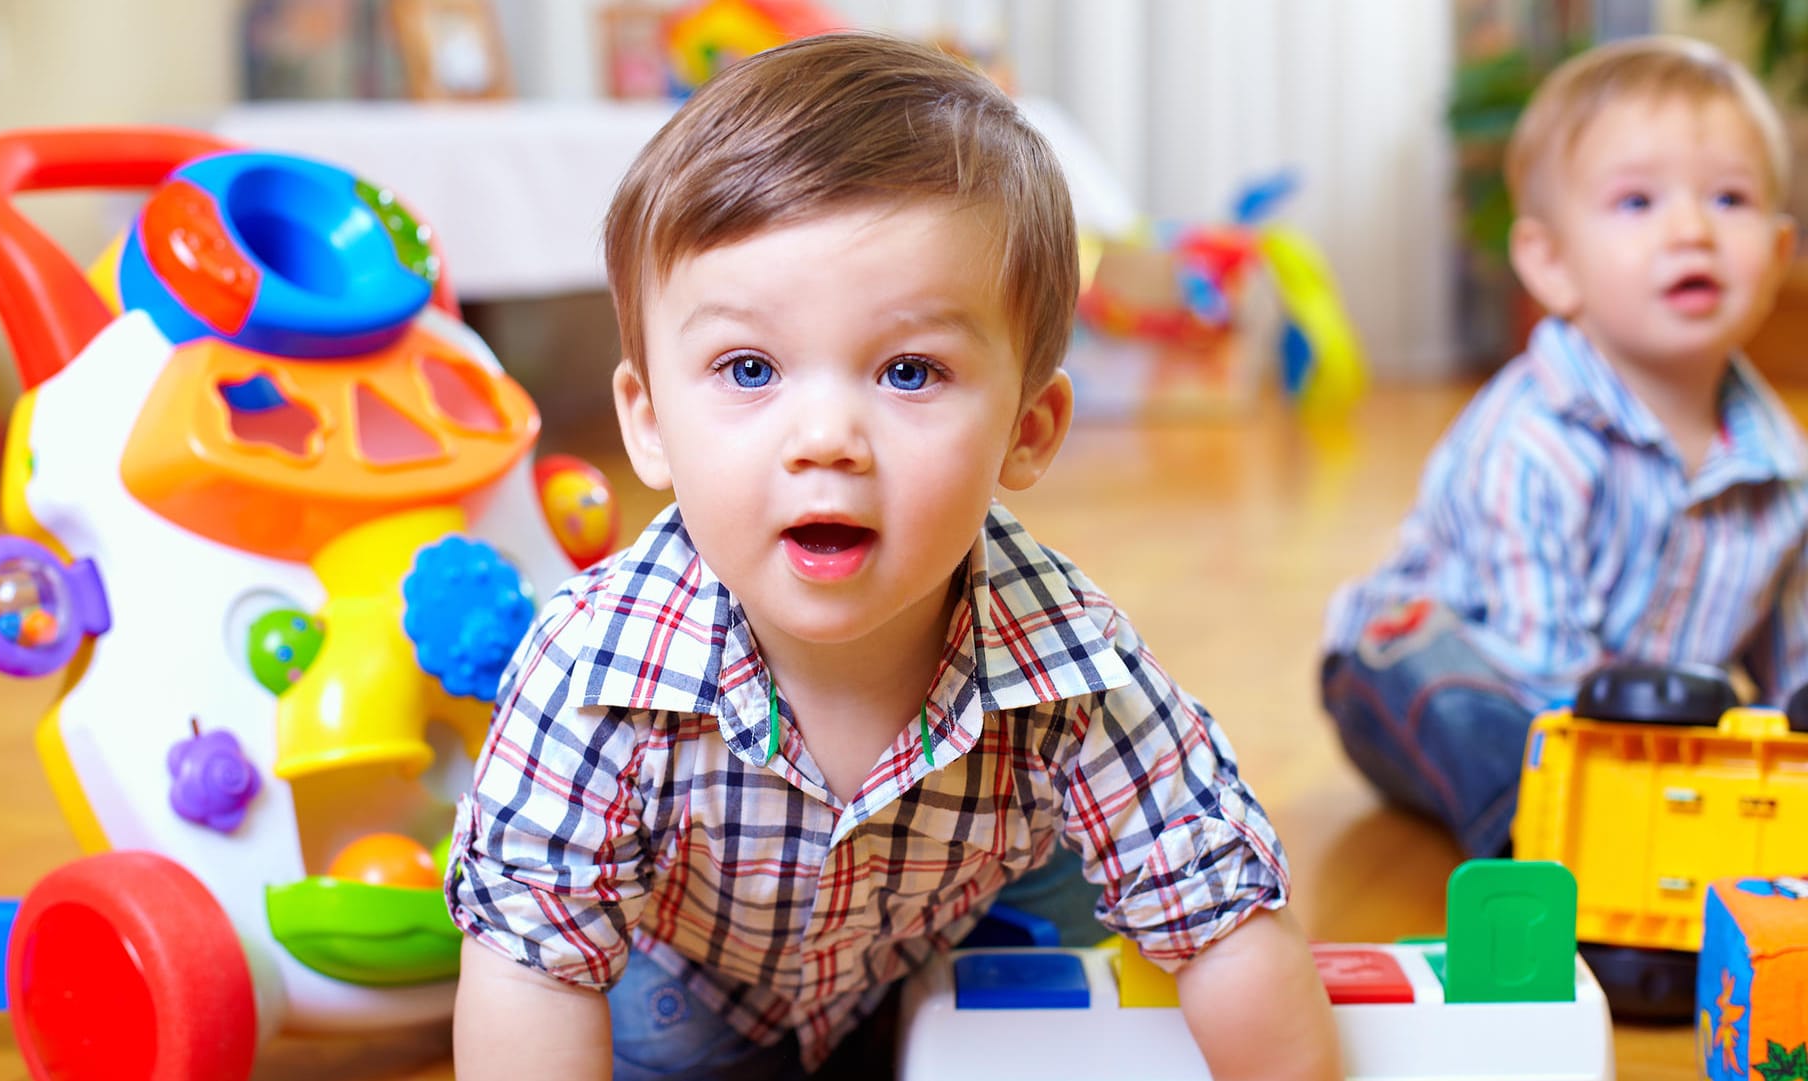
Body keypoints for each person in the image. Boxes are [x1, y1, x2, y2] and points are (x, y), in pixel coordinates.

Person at [446, 31, 1339, 1081]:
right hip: (683, 977)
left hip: (949, 940)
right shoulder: (594, 668)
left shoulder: (1075, 660)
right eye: (748, 367)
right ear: (648, 424)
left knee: (1067, 998)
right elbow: (532, 960)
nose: (825, 436)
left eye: (910, 372)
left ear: (1029, 431)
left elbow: (1222, 913)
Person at [1322, 35, 1807, 859]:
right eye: (1637, 203)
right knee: (1463, 699)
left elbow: (1791, 650)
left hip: (1648, 724)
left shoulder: (1779, 464)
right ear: (1550, 263)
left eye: (1728, 199)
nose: (1691, 229)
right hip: (1449, 673)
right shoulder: (1529, 439)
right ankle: (1536, 840)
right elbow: (1537, 665)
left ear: (1779, 257)